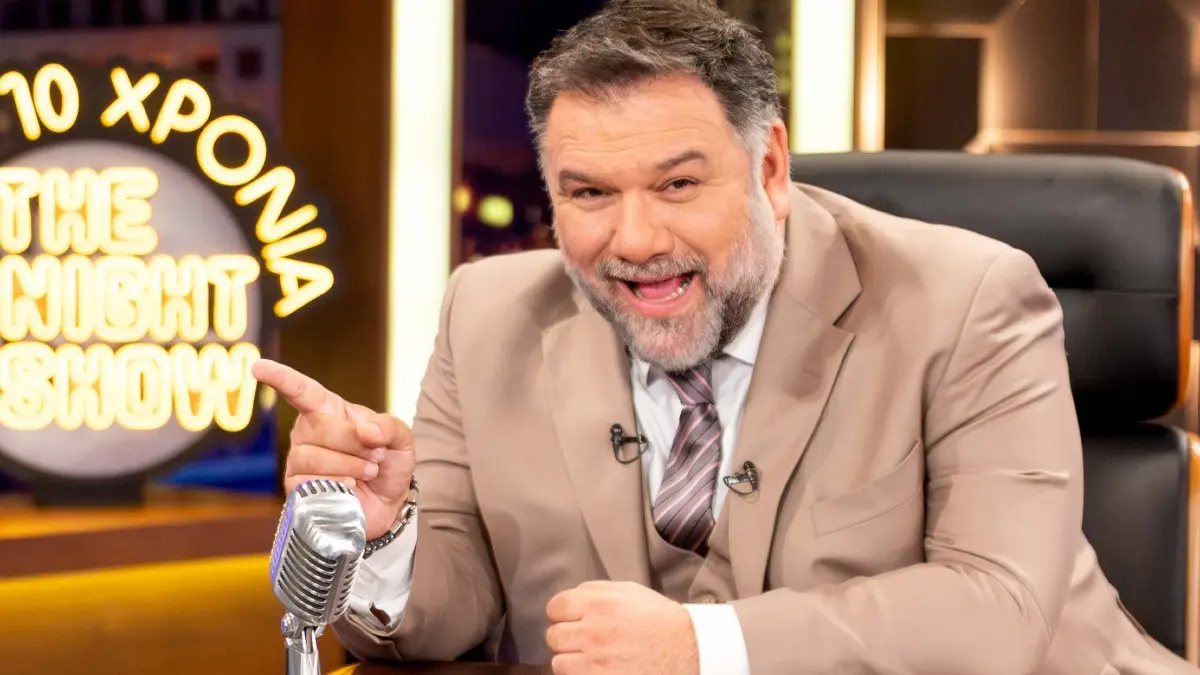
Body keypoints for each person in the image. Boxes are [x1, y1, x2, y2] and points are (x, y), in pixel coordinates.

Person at [251, 1, 1198, 673]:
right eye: (589, 192)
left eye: (677, 184)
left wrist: (701, 647)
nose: (633, 240)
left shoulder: (969, 301)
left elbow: (1001, 612)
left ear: (770, 168)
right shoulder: (487, 312)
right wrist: (388, 534)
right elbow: (444, 616)